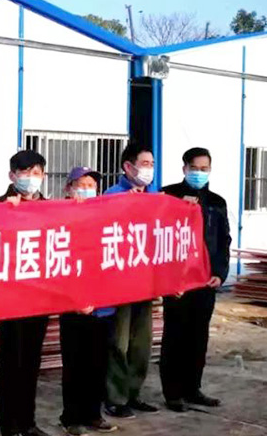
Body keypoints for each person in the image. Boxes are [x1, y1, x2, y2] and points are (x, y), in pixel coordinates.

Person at [160, 148, 230, 412]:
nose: (199, 173)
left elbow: (223, 240)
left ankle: (193, 388)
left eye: (204, 169)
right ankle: (173, 393)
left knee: (198, 337)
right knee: (175, 336)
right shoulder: (168, 195)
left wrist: (220, 273)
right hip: (177, 282)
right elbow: (158, 235)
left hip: (205, 281)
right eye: (194, 168)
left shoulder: (216, 202)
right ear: (184, 169)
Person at [0, 150, 52, 436]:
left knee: (31, 362)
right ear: (12, 176)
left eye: (36, 173)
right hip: (11, 299)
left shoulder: (52, 209)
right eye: (24, 173)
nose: (30, 178)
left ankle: (28, 421)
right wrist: (5, 212)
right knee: (10, 363)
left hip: (40, 299)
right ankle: (10, 426)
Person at [58, 167, 118, 436]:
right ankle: (71, 417)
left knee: (98, 363)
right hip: (73, 307)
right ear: (68, 188)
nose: (86, 189)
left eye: (91, 185)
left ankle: (93, 413)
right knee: (75, 365)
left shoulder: (104, 217)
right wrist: (73, 299)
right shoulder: (58, 217)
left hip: (103, 306)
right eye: (81, 184)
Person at [103, 142, 160, 419]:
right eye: (144, 164)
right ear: (128, 166)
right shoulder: (112, 196)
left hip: (145, 282)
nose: (149, 169)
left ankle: (134, 392)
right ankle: (115, 397)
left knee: (142, 343)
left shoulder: (154, 198)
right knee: (119, 342)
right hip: (120, 284)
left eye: (152, 165)